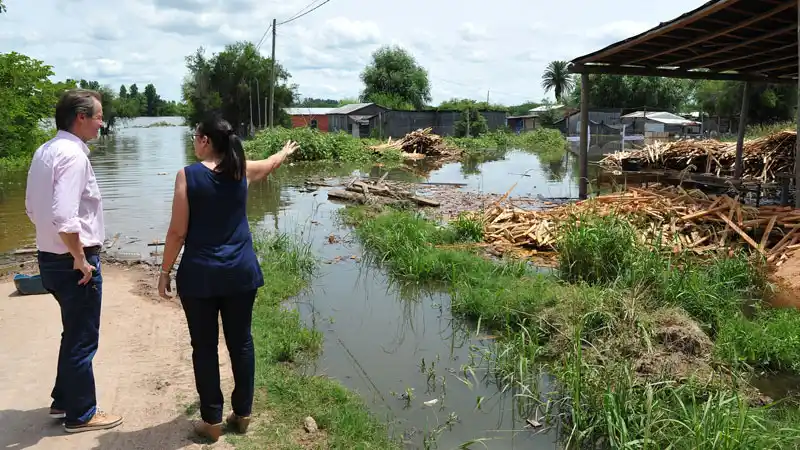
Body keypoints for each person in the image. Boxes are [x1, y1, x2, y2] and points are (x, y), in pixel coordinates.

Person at [157, 114, 298, 442]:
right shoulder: (241, 170)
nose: (193, 142)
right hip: (240, 273)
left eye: (195, 136)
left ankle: (211, 422)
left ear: (206, 140)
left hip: (200, 277)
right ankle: (244, 413)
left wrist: (164, 272)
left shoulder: (187, 176)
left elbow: (177, 232)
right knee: (242, 342)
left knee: (204, 347)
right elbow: (270, 164)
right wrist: (283, 153)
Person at [25, 89, 123, 433]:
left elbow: (32, 209)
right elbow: (65, 217)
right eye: (98, 116)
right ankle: (81, 414)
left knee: (73, 332)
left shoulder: (45, 151)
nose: (102, 123)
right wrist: (80, 258)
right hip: (73, 262)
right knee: (83, 338)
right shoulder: (73, 156)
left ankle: (63, 399)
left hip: (49, 259)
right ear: (80, 117)